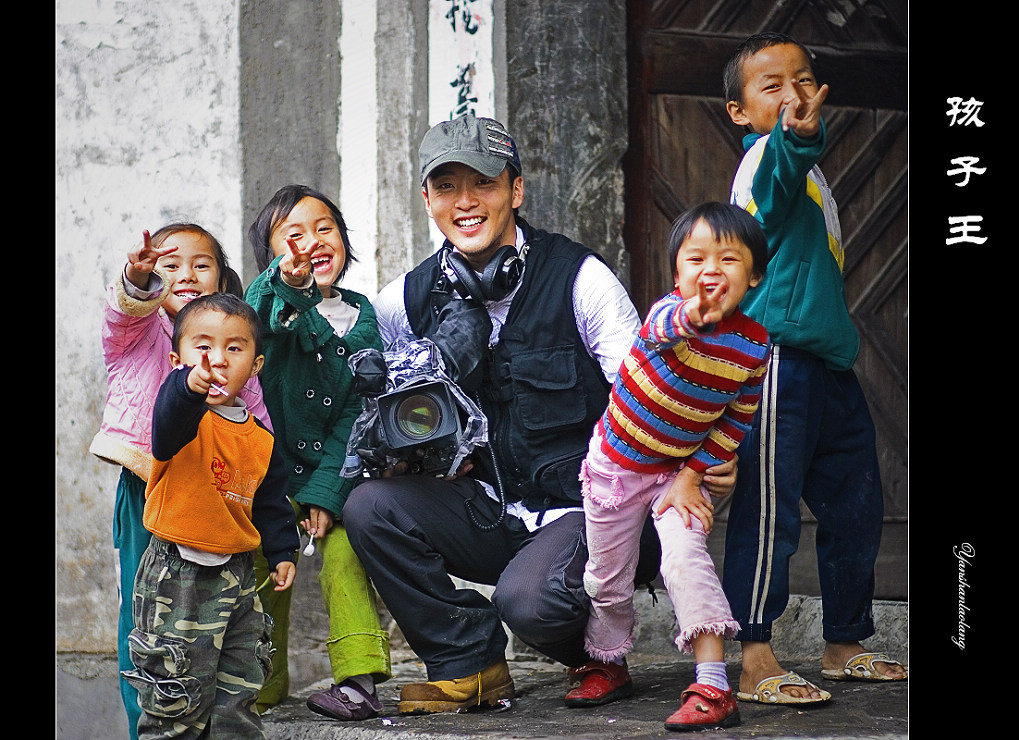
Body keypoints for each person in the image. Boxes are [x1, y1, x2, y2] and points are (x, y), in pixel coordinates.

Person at [341, 113, 739, 715]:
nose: (465, 202)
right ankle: (469, 666)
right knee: (369, 507)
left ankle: (597, 655)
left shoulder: (581, 279)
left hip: (591, 510)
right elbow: (358, 396)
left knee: (527, 602)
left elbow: (653, 391)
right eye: (446, 186)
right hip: (484, 508)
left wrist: (697, 467)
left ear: (516, 190)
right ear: (427, 199)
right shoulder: (403, 301)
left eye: (484, 184)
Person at [720, 31, 907, 705]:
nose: (793, 94)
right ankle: (753, 652)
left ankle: (843, 642)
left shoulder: (810, 170)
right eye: (771, 86)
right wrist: (794, 139)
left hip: (827, 362)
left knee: (857, 505)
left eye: (803, 80)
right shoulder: (767, 158)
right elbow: (772, 185)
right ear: (740, 112)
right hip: (775, 360)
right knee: (769, 512)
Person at [578, 202, 770, 731]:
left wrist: (692, 473)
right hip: (616, 468)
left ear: (754, 275)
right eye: (696, 259)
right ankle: (607, 661)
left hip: (678, 476)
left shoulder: (755, 345)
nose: (711, 271)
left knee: (686, 559)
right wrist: (693, 314)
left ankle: (712, 684)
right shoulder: (666, 317)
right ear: (676, 273)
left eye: (729, 259)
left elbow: (735, 421)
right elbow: (667, 326)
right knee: (607, 576)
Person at [89, 224, 275, 737]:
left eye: (202, 264)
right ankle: (145, 727)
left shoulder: (235, 340)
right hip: (147, 484)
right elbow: (122, 311)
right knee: (151, 631)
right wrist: (137, 279)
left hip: (216, 498)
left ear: (222, 276)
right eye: (171, 265)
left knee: (221, 634)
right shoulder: (142, 331)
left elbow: (256, 426)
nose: (187, 275)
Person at [120, 292, 298, 739]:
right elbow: (167, 420)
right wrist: (187, 386)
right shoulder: (181, 416)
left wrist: (282, 551)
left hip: (236, 577)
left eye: (234, 348)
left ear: (255, 366)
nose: (217, 359)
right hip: (176, 574)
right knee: (175, 699)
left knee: (238, 692)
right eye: (203, 347)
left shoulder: (260, 438)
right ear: (178, 357)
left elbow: (272, 501)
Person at [245, 184, 392, 721]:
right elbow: (254, 318)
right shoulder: (272, 309)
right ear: (274, 257)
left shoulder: (362, 316)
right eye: (294, 235)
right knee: (263, 575)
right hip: (266, 479)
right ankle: (260, 683)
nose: (312, 242)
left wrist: (328, 493)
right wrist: (286, 285)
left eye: (324, 228)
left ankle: (358, 680)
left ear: (345, 242)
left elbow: (358, 413)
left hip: (334, 474)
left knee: (345, 557)